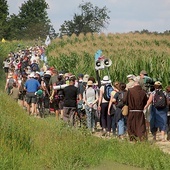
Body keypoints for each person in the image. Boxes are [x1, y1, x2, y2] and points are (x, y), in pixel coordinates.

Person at [125, 76, 148, 141]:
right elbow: (145, 101)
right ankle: (142, 138)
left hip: (131, 111)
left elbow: (124, 100)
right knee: (140, 125)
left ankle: (133, 139)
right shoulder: (143, 92)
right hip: (140, 111)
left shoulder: (130, 91)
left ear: (135, 82)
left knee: (131, 125)